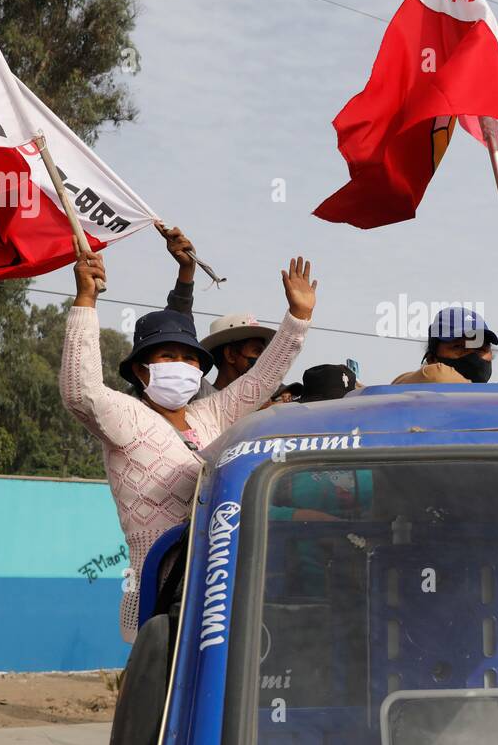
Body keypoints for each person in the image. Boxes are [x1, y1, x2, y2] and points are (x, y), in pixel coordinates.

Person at [61, 249, 315, 642]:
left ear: (200, 369)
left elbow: (260, 380)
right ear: (141, 369)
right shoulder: (125, 417)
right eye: (168, 355)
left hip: (224, 575)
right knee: (165, 691)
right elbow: (81, 391)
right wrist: (86, 301)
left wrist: (297, 319)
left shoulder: (207, 414)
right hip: (162, 586)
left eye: (189, 358)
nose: (181, 364)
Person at [158, 223, 276, 392]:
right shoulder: (198, 397)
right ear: (230, 355)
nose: (264, 361)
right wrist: (187, 270)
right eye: (257, 352)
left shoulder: (266, 409)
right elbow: (177, 327)